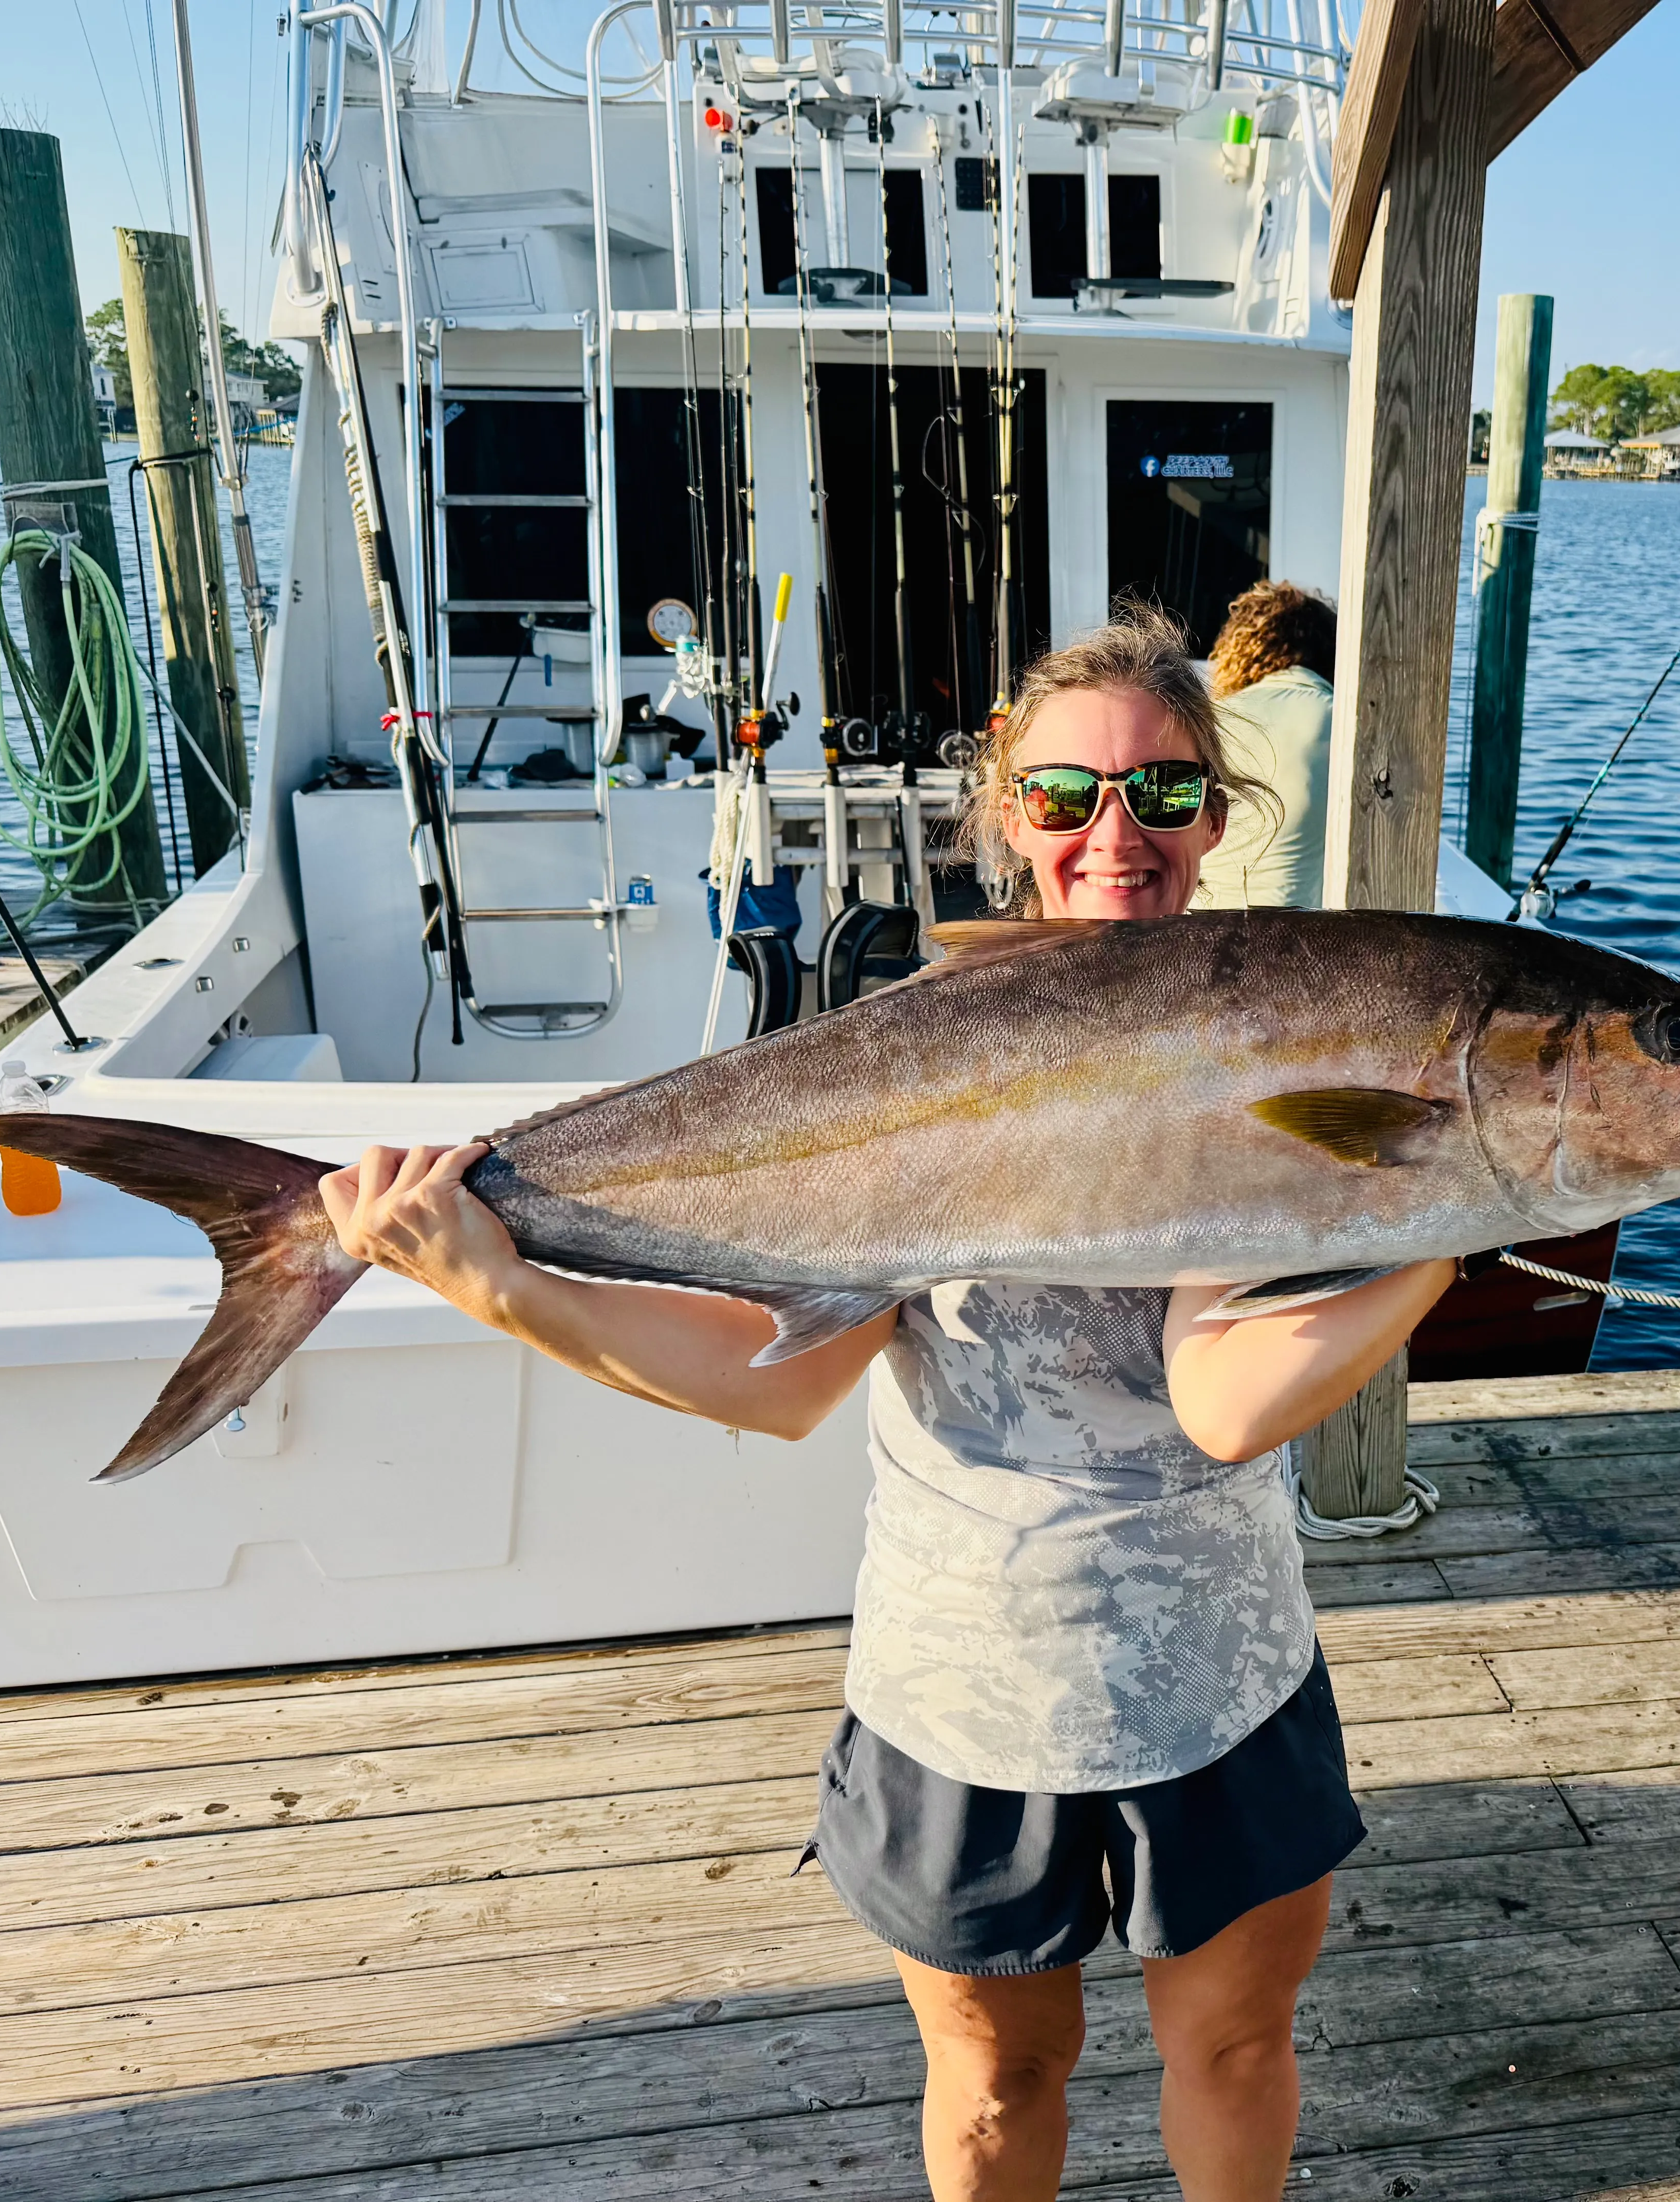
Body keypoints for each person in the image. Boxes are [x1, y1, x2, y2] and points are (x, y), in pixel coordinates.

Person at [318, 607, 1452, 2202]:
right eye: (1064, 797)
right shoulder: (904, 1060)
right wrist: (501, 1279)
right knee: (995, 2086)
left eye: (1161, 793)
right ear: (1007, 814)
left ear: (1219, 810)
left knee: (1238, 2052)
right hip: (961, 1690)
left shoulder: (1277, 1048)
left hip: (1220, 1677)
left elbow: (1222, 1396)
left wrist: (1437, 1224)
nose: (1113, 835)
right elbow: (769, 1389)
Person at [1187, 579, 1335, 910]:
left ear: (1241, 652)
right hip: (1301, 945)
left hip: (1197, 936)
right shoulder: (1341, 720)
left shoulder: (1205, 722)